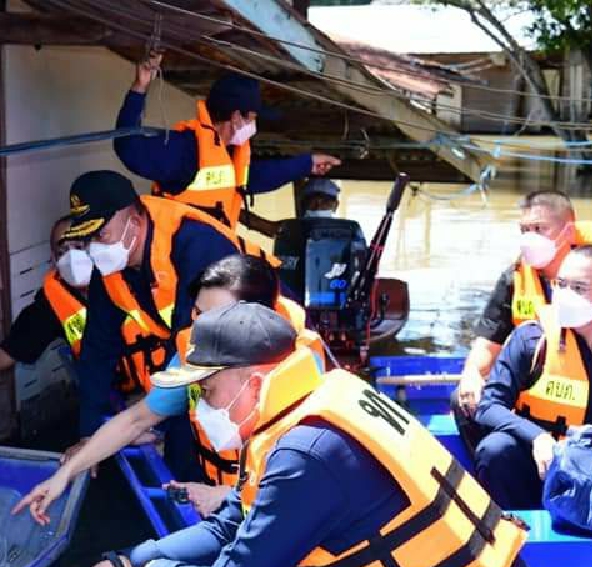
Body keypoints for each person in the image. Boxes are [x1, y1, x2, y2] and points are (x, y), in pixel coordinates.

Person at [34, 303, 548, 567]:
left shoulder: (306, 454)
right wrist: (117, 564)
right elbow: (230, 523)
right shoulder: (315, 405)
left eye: (204, 390)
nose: (197, 406)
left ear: (253, 381)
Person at [36, 253, 318, 518]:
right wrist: (65, 475)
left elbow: (307, 486)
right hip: (225, 506)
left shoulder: (301, 372)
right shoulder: (194, 353)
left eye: (216, 317)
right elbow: (136, 419)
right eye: (197, 314)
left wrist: (227, 495)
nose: (200, 327)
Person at [61, 170, 271, 472]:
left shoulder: (196, 245)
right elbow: (97, 347)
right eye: (88, 238)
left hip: (257, 349)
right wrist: (89, 433)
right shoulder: (110, 267)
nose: (95, 247)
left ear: (133, 221)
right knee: (181, 450)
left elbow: (196, 346)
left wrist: (150, 420)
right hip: (196, 359)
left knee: (232, 449)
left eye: (100, 235)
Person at [453, 191, 592, 455]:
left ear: (568, 231)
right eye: (524, 229)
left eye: (539, 228)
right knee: (466, 401)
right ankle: (493, 478)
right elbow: (488, 340)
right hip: (532, 378)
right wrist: (472, 374)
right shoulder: (515, 278)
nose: (530, 237)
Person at [114, 53, 340, 232]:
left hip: (209, 267)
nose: (254, 125)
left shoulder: (230, 155)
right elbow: (129, 148)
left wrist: (306, 164)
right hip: (176, 270)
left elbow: (255, 177)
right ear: (235, 117)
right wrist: (139, 88)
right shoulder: (186, 148)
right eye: (252, 118)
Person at [473, 245, 592, 510]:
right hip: (539, 461)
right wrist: (537, 437)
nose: (565, 295)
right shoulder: (532, 339)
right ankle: (520, 534)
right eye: (561, 284)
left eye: (579, 288)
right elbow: (488, 406)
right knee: (495, 450)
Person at [0, 218, 123, 382]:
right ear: (53, 260)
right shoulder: (53, 303)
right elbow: (3, 356)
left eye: (79, 246)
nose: (73, 258)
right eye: (63, 251)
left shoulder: (126, 279)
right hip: (111, 394)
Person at [273, 178, 367, 303]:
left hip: (289, 303)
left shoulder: (286, 227)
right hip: (340, 302)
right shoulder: (352, 228)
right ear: (336, 205)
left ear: (303, 203)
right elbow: (363, 264)